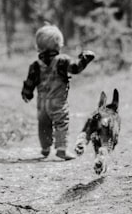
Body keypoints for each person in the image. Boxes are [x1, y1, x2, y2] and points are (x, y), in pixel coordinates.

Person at [21, 25, 95, 160]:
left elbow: (30, 82)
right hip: (58, 102)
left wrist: (27, 94)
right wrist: (85, 59)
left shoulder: (35, 65)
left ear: (38, 46)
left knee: (43, 124)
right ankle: (61, 149)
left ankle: (45, 147)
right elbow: (75, 68)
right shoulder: (63, 60)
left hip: (42, 103)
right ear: (59, 45)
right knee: (61, 122)